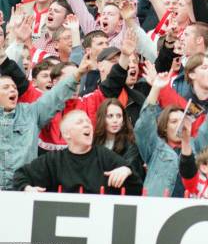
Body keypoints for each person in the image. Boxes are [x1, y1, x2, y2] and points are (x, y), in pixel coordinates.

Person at [0, 52, 92, 190]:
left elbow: (55, 96)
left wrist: (78, 74)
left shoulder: (31, 112)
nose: (13, 90)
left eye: (14, 87)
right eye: (6, 87)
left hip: (23, 189)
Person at [13, 110, 143, 194]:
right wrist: (27, 189)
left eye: (88, 121)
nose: (87, 125)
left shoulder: (104, 155)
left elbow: (137, 186)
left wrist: (127, 171)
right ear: (66, 134)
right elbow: (20, 175)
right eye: (80, 122)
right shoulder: (54, 160)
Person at [93, 98, 145, 181]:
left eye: (119, 116)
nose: (115, 120)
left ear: (123, 120)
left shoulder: (131, 142)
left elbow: (131, 167)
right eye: (110, 116)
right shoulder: (93, 141)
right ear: (102, 118)